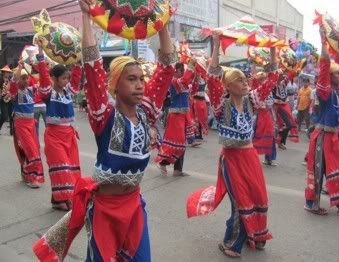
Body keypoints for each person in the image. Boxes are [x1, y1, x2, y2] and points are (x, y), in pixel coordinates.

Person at [33, 0, 176, 260]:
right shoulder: (104, 115)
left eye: (142, 79)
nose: (140, 85)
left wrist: (162, 23)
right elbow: (92, 65)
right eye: (131, 79)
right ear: (114, 86)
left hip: (133, 207)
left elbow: (167, 68)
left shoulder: (147, 112)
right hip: (105, 210)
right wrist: (86, 18)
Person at [186, 32, 278, 258]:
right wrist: (216, 45)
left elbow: (272, 80)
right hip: (232, 159)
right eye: (239, 80)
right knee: (240, 202)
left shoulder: (252, 101)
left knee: (258, 197)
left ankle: (255, 234)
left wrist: (274, 50)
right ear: (228, 85)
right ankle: (231, 242)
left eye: (245, 80)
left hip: (250, 158)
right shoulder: (220, 105)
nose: (245, 83)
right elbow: (212, 79)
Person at [304, 25, 339, 215]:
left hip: (332, 137)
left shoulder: (338, 93)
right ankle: (311, 203)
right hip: (322, 136)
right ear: (330, 76)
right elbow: (323, 68)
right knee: (318, 170)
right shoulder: (325, 91)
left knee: (338, 167)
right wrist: (323, 42)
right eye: (337, 73)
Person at [36, 44, 82, 211]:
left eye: (67, 78)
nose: (67, 81)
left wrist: (77, 61)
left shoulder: (68, 91)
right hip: (54, 135)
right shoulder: (48, 92)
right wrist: (41, 56)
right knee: (61, 167)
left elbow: (76, 80)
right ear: (54, 78)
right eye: (63, 78)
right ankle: (68, 199)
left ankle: (58, 200)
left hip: (68, 134)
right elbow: (43, 77)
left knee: (70, 167)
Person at [155, 61, 198, 176]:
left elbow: (192, 88)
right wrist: (190, 68)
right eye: (182, 71)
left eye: (184, 71)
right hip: (175, 116)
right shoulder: (174, 82)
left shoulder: (182, 83)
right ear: (177, 71)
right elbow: (184, 81)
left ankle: (177, 170)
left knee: (181, 142)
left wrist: (195, 73)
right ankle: (163, 162)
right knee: (176, 141)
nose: (184, 73)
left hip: (184, 115)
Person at [9, 63, 44, 188]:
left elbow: (41, 80)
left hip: (31, 123)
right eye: (23, 78)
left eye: (26, 78)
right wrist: (19, 69)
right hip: (21, 124)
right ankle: (31, 178)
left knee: (34, 149)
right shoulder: (15, 91)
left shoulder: (31, 90)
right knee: (31, 151)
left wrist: (33, 64)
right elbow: (14, 80)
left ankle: (26, 173)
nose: (26, 80)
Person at [0, 65, 14, 135]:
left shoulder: (9, 79)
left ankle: (12, 131)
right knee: (5, 116)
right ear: (3, 72)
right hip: (2, 99)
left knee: (11, 115)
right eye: (7, 72)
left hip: (9, 98)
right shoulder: (0, 79)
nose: (8, 73)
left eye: (9, 72)